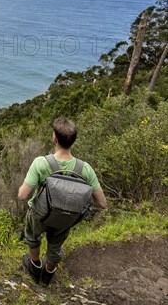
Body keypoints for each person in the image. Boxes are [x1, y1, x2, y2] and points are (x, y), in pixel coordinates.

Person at [18, 117, 107, 286]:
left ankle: (35, 266)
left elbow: (23, 195)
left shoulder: (41, 163)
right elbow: (102, 203)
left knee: (33, 236)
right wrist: (77, 199)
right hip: (65, 219)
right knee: (55, 246)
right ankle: (47, 277)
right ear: (73, 141)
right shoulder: (84, 169)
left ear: (55, 138)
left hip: (40, 215)